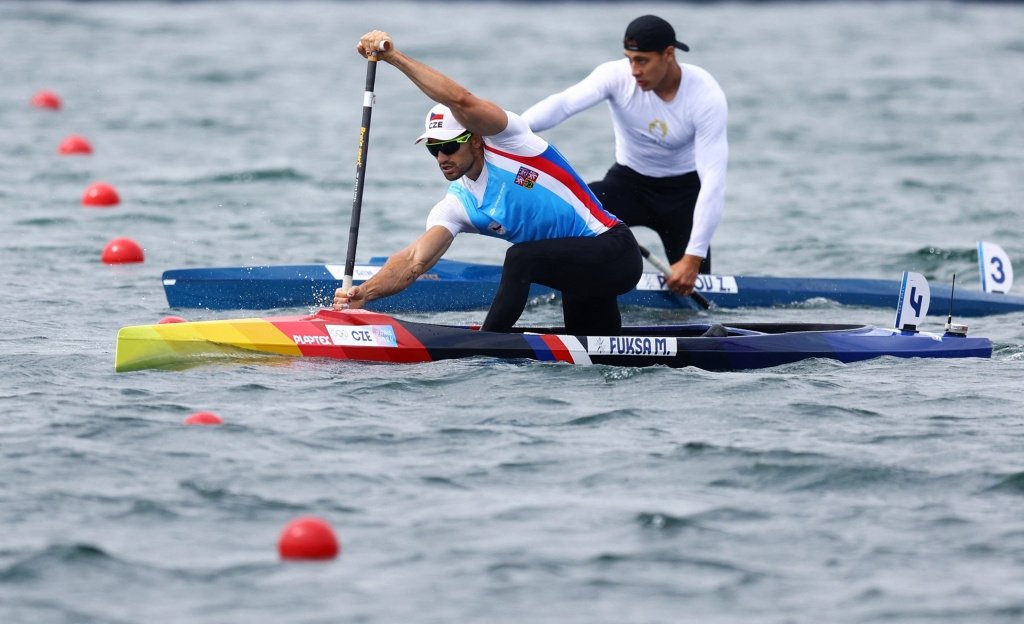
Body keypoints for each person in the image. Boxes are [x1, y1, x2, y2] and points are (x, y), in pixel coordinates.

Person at [333, 30, 642, 335]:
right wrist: (366, 293)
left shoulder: (510, 140)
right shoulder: (457, 204)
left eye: (450, 146)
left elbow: (461, 99)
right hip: (576, 272)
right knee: (597, 358)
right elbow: (414, 261)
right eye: (433, 149)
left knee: (520, 258)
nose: (441, 157)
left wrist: (393, 57)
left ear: (475, 140)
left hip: (614, 252)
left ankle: (487, 342)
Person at [522, 14, 728, 297]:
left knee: (695, 288)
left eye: (642, 60)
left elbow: (713, 181)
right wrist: (510, 129)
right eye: (630, 59)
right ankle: (558, 283)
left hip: (683, 196)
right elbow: (564, 104)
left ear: (669, 54)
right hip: (628, 184)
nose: (633, 70)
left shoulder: (705, 96)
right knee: (570, 216)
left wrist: (693, 258)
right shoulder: (616, 76)